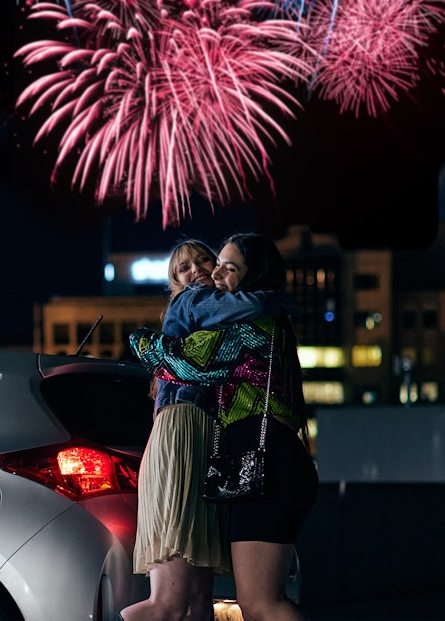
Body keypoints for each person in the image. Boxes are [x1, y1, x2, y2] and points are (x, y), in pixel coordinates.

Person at [131, 233, 317, 621]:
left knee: (262, 604)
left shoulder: (245, 327)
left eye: (226, 267)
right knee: (258, 601)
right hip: (275, 459)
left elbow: (186, 364)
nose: (211, 272)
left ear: (251, 280)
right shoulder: (265, 323)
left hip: (268, 460)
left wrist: (145, 342)